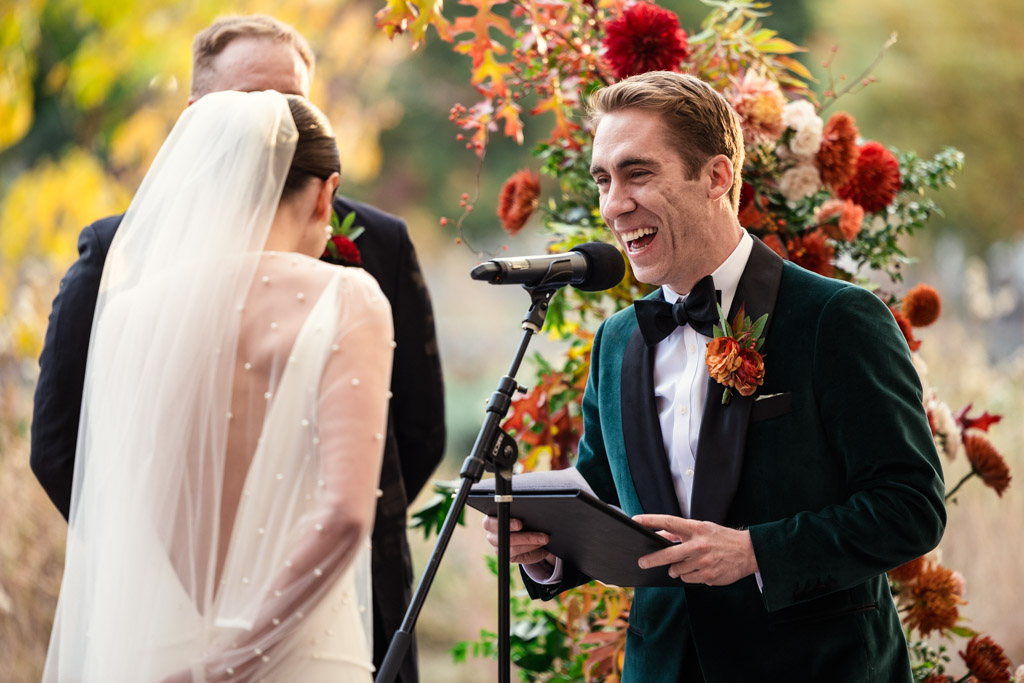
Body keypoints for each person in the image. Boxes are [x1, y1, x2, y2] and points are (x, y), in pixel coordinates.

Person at [484, 71, 946, 682]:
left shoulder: (837, 319)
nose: (614, 203)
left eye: (637, 173)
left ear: (717, 176)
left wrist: (755, 552)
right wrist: (543, 548)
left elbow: (910, 508)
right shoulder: (617, 340)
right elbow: (605, 495)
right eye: (603, 179)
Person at [30, 16, 444, 682]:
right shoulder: (118, 256)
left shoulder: (379, 246)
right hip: (225, 629)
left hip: (240, 628)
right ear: (196, 120)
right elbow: (61, 449)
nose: (273, 123)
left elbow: (416, 435)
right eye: (254, 104)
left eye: (291, 104)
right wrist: (154, 594)